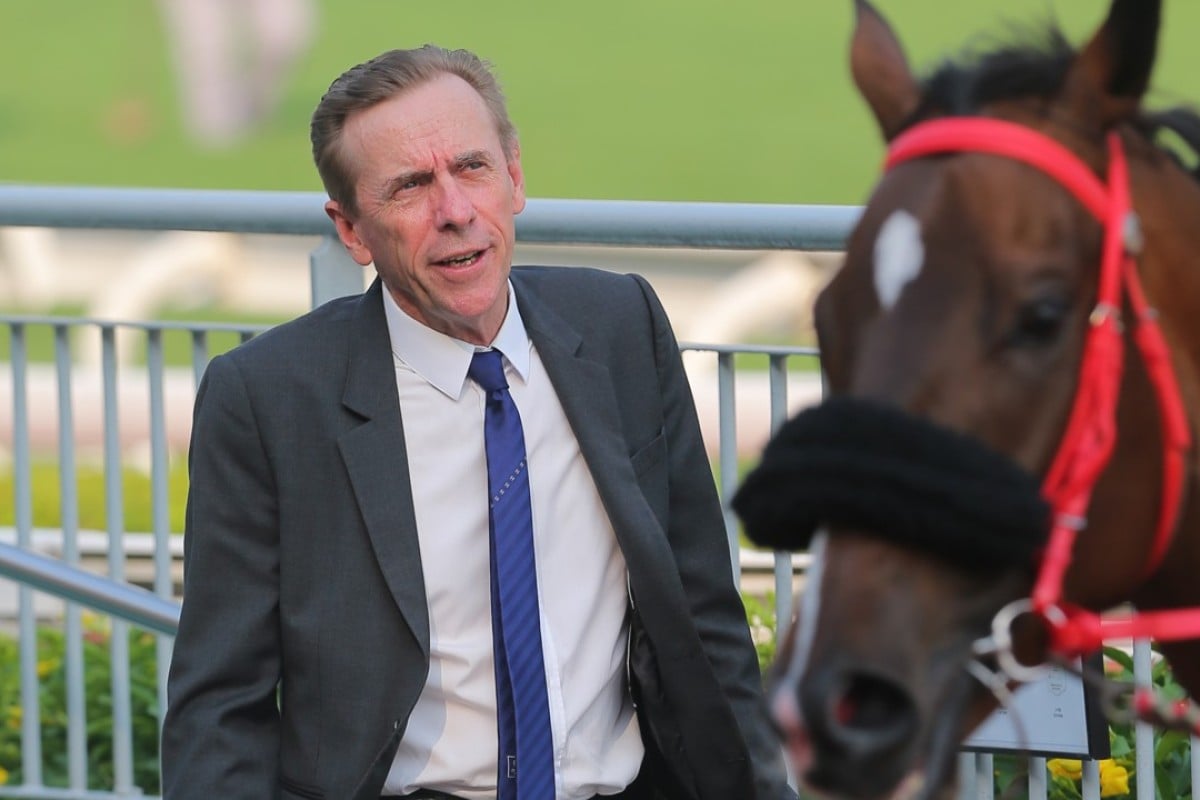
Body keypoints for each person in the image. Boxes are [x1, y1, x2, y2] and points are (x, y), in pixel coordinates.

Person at [161, 44, 792, 800]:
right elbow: (219, 707)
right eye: (410, 186)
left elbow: (705, 620)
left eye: (472, 168)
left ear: (515, 176)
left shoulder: (625, 326)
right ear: (352, 230)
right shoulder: (267, 399)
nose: (455, 211)